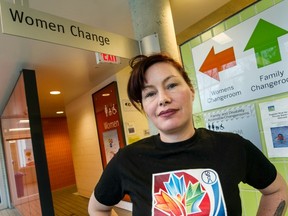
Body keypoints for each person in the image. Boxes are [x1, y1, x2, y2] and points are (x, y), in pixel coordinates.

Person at [88, 53, 288, 215]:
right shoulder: (128, 159)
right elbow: (97, 207)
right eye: (150, 94)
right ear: (144, 107)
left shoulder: (233, 146)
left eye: (172, 85)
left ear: (191, 91)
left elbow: (276, 190)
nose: (163, 99)